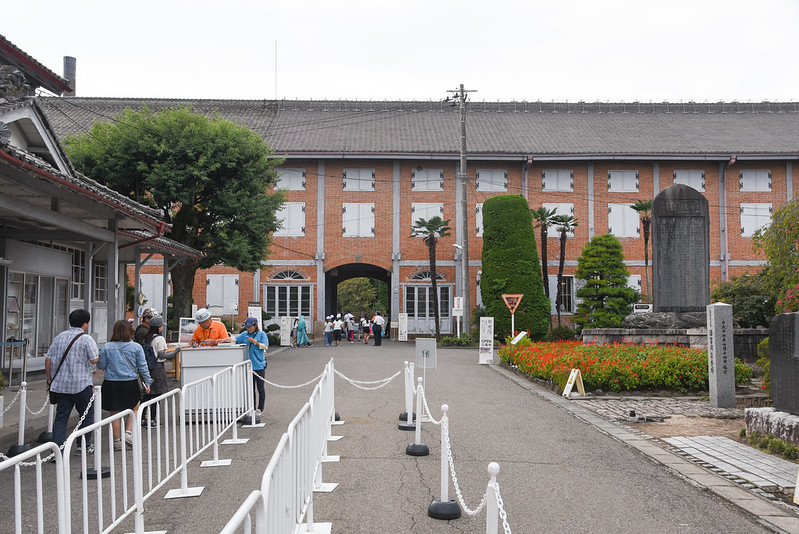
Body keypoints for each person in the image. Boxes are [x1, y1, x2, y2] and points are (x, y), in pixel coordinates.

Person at [45, 309, 100, 454]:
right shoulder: (86, 339)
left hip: (60, 386)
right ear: (85, 324)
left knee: (61, 418)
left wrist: (49, 379)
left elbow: (48, 359)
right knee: (86, 415)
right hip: (81, 385)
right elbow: (94, 359)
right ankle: (83, 445)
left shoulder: (59, 337)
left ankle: (58, 450)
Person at [98, 320, 152, 450]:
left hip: (111, 383)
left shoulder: (107, 347)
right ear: (130, 332)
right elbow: (142, 366)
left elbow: (100, 365)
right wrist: (148, 381)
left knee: (115, 412)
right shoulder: (136, 347)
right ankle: (128, 433)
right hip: (130, 382)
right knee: (134, 408)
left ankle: (117, 441)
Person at [224, 317, 268, 416]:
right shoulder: (245, 334)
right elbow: (234, 338)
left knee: (260, 388)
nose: (248, 329)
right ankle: (252, 408)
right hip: (248, 366)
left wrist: (255, 342)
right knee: (250, 389)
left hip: (259, 365)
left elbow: (265, 346)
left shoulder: (262, 334)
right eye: (247, 327)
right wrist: (223, 340)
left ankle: (260, 409)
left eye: (250, 327)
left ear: (255, 325)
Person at [141, 316, 180, 427]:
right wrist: (176, 351)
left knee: (147, 395)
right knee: (157, 395)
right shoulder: (159, 339)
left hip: (148, 368)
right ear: (158, 327)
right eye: (161, 326)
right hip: (158, 368)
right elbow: (162, 355)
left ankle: (142, 418)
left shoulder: (147, 337)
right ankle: (152, 419)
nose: (162, 327)